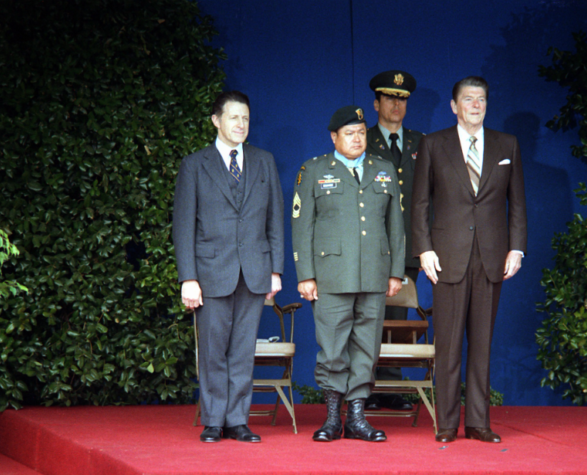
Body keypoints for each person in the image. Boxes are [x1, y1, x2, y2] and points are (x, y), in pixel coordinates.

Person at [411, 76, 527, 443]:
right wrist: (424, 248)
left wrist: (517, 248)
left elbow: (517, 202)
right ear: (453, 105)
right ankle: (446, 423)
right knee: (447, 345)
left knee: (482, 343)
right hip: (447, 257)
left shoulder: (506, 144)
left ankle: (478, 422)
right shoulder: (433, 144)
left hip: (493, 256)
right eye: (468, 99)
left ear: (487, 105)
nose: (475, 105)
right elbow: (419, 204)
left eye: (481, 99)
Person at [173, 90, 284, 443]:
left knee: (242, 350)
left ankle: (237, 420)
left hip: (254, 270)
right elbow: (183, 226)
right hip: (210, 272)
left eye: (246, 118)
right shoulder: (195, 164)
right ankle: (213, 419)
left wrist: (276, 270)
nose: (241, 124)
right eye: (234, 117)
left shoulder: (263, 160)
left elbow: (275, 220)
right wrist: (188, 277)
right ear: (216, 120)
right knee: (212, 350)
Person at [291, 105, 405, 442]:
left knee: (367, 348)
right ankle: (331, 418)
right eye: (349, 133)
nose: (357, 139)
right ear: (334, 137)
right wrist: (305, 274)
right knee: (332, 348)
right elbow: (302, 226)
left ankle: (356, 418)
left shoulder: (383, 170)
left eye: (361, 132)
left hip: (374, 273)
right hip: (330, 275)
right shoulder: (313, 170)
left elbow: (395, 227)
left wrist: (396, 271)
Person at [364, 70, 423, 412]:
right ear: (376, 103)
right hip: (370, 245)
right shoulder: (361, 139)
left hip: (408, 247)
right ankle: (365, 387)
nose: (396, 104)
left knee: (398, 317)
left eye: (401, 99)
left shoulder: (421, 142)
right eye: (389, 98)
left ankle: (390, 387)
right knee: (368, 317)